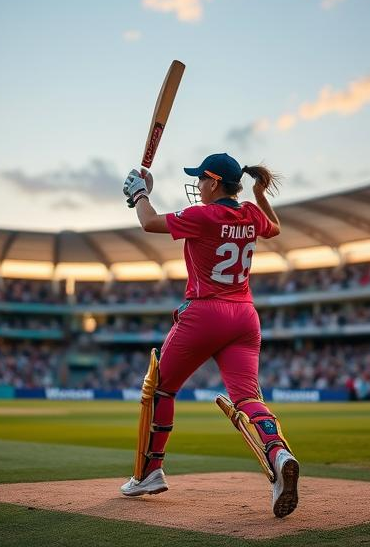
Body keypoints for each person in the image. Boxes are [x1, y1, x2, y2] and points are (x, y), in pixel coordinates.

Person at [120, 153, 299, 518]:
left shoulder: (204, 216)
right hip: (245, 317)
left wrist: (139, 194)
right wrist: (261, 194)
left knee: (162, 388)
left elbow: (150, 222)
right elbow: (275, 227)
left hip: (205, 313)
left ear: (214, 182)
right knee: (248, 397)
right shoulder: (250, 213)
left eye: (200, 179)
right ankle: (279, 453)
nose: (198, 186)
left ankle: (150, 472)